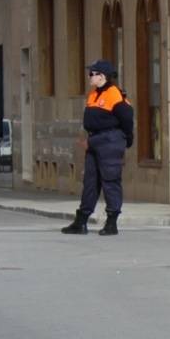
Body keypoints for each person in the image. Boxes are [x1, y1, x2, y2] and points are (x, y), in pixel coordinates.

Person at [61, 60, 134, 235]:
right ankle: (81, 221)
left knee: (110, 180)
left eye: (92, 74)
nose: (89, 77)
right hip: (95, 140)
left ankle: (112, 222)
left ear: (102, 76)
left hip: (110, 140)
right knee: (90, 182)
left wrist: (126, 138)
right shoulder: (94, 94)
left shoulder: (114, 93)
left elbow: (127, 118)